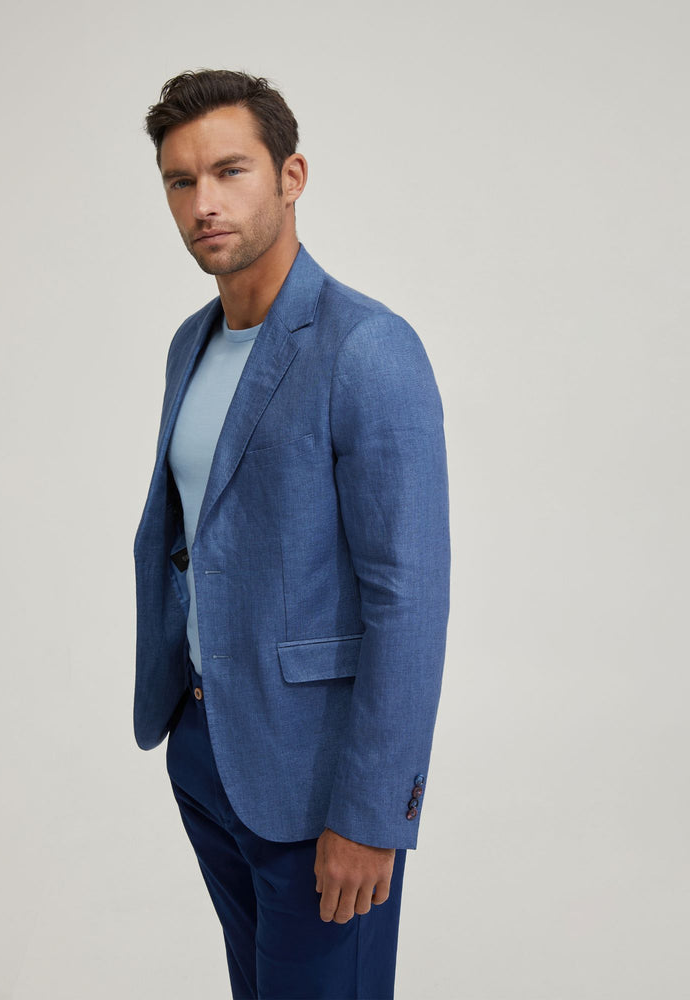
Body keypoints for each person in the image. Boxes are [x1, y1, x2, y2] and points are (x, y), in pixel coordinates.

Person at [133, 69, 450, 1000]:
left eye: (230, 171)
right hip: (208, 752)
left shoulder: (367, 347)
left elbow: (409, 598)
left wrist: (373, 814)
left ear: (291, 175)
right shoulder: (190, 343)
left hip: (319, 786)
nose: (205, 202)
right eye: (181, 180)